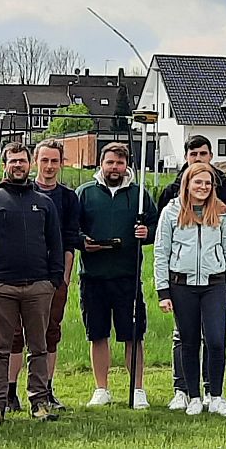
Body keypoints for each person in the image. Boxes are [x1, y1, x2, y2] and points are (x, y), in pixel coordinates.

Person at [0, 142, 64, 423]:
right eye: (13, 161)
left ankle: (39, 403)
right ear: (5, 165)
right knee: (0, 349)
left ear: (29, 164)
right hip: (1, 288)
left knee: (39, 347)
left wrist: (53, 280)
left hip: (39, 287)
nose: (18, 165)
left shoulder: (44, 203)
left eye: (22, 161)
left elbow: (56, 244)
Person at [161, 136, 226, 410]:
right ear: (187, 183)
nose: (203, 187)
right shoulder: (171, 212)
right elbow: (161, 253)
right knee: (188, 341)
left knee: (216, 340)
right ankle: (193, 396)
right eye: (198, 182)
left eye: (207, 183)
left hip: (214, 285)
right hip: (182, 285)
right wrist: (163, 290)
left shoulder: (221, 213)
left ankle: (216, 395)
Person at [76, 142, 158, 409]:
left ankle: (137, 389)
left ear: (126, 166)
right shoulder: (85, 193)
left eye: (119, 163)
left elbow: (157, 225)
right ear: (101, 163)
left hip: (127, 276)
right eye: (110, 162)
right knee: (97, 333)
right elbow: (71, 229)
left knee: (132, 334)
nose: (115, 168)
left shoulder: (139, 194)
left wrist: (148, 233)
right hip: (93, 275)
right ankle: (101, 388)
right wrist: (82, 241)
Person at [6, 139, 82, 412]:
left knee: (50, 333)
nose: (49, 166)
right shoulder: (20, 192)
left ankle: (46, 390)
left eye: (55, 161)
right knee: (16, 334)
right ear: (35, 161)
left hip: (54, 276)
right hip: (20, 275)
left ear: (62, 163)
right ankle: (10, 392)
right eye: (44, 160)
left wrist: (64, 278)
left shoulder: (68, 198)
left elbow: (70, 240)